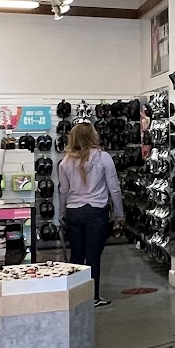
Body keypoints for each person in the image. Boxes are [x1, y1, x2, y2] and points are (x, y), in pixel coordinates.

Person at [55, 123, 123, 306]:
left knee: (76, 256)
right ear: (93, 136)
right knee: (93, 256)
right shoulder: (103, 157)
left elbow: (63, 190)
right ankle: (93, 297)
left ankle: (75, 296)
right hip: (96, 211)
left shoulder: (65, 161)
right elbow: (114, 188)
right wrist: (119, 212)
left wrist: (62, 213)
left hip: (73, 211)